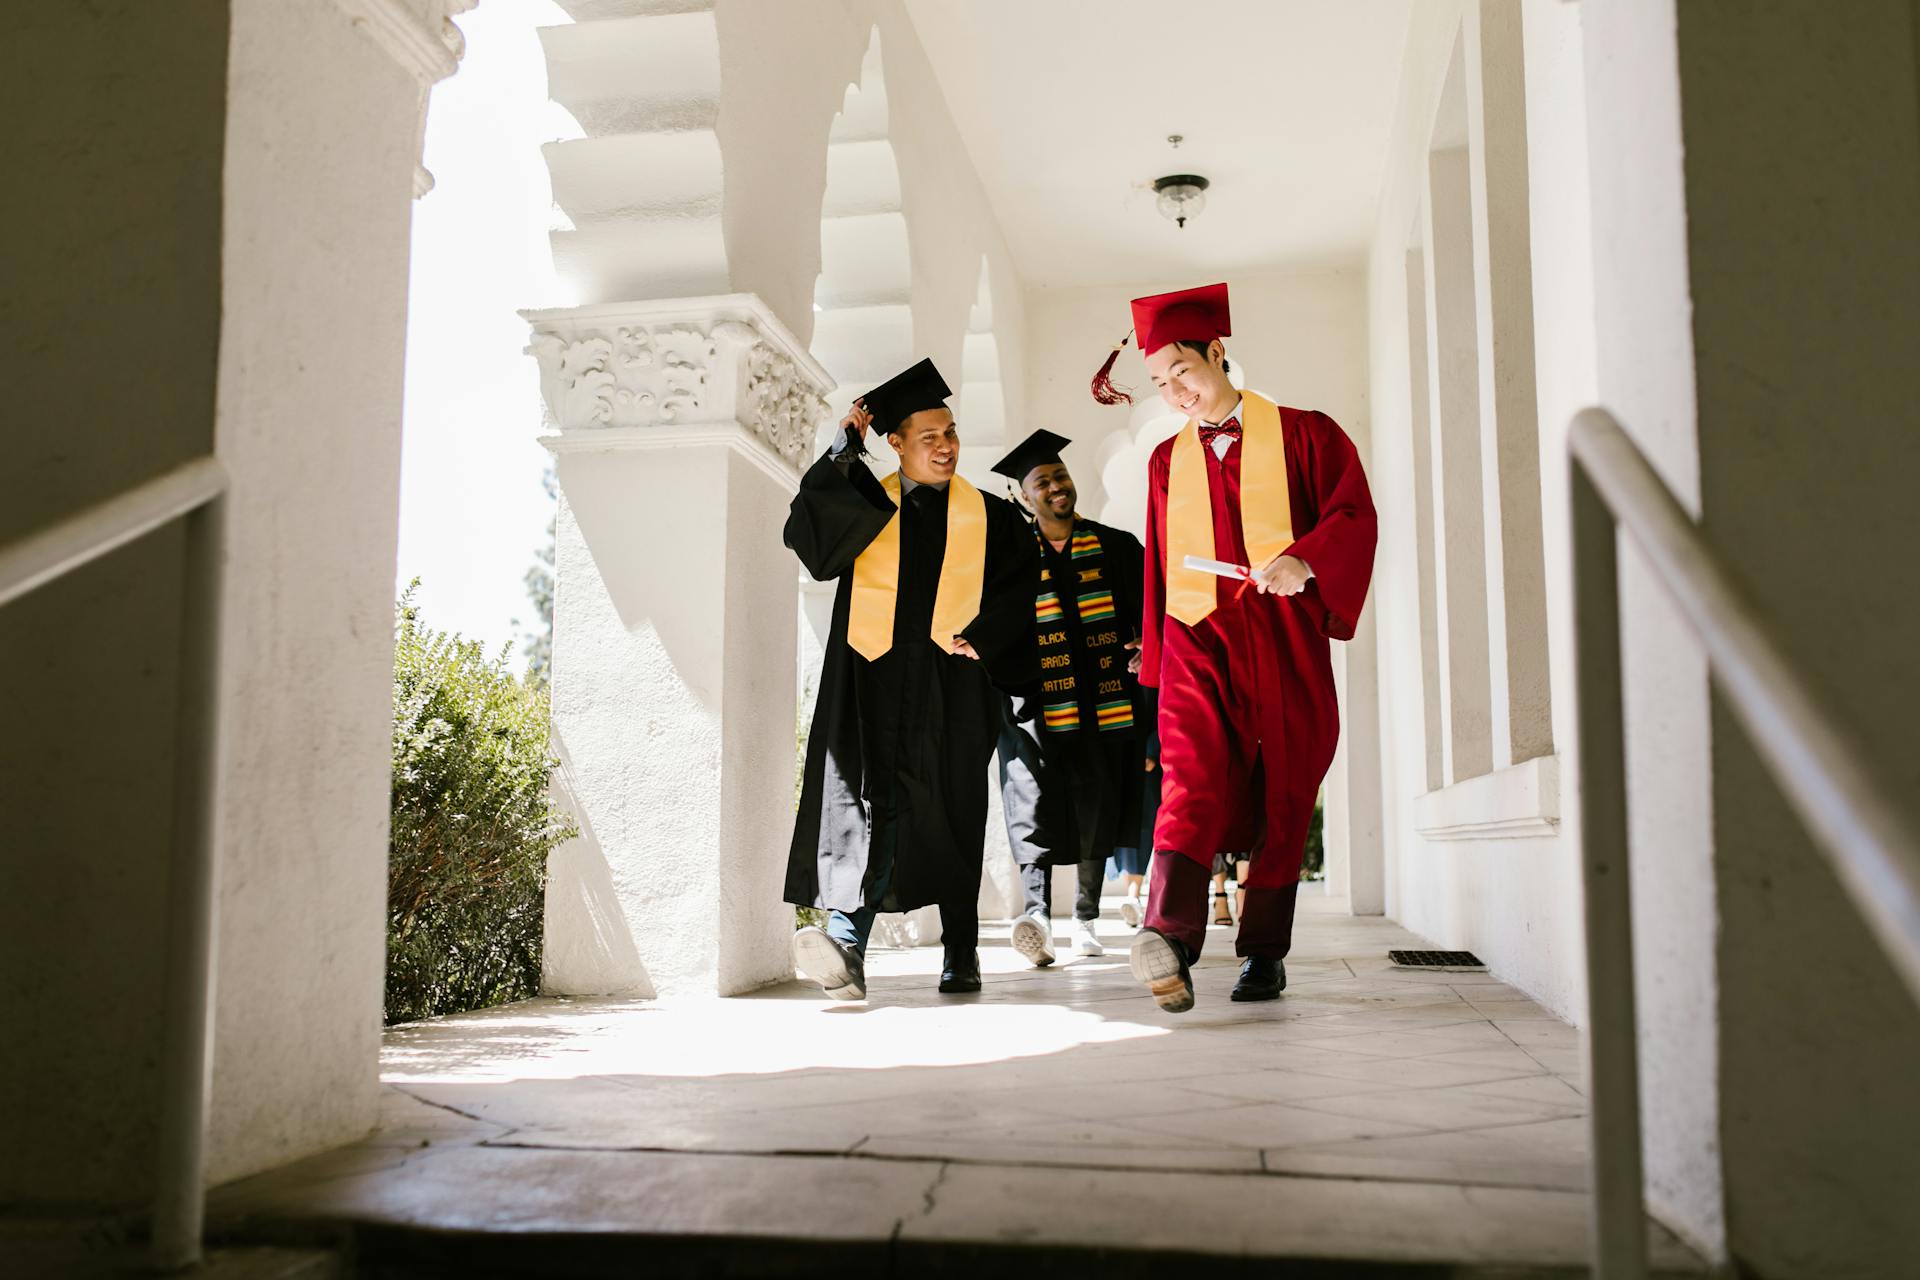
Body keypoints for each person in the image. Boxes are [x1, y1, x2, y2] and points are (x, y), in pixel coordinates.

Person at [1091, 283, 1377, 1012]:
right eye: (1158, 384)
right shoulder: (1165, 463)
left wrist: (1304, 558)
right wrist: (1154, 661)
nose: (1174, 392)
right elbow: (1159, 569)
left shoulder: (1308, 434)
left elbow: (1351, 511)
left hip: (1280, 634)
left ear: (1217, 353)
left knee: (1286, 782)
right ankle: (1170, 935)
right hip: (1197, 636)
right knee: (1189, 776)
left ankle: (1264, 952)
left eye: (1181, 372)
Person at [785, 358, 1039, 1000]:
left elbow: (1022, 589)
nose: (946, 447)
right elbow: (810, 540)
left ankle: (962, 952)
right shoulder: (868, 504)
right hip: (873, 680)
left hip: (952, 687)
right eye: (929, 438)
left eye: (950, 433)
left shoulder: (992, 517)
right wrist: (844, 450)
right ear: (894, 444)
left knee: (955, 810)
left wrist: (984, 637)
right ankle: (847, 943)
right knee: (865, 807)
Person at [988, 429, 1148, 967]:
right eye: (1042, 482)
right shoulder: (1009, 557)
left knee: (1094, 806)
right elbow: (988, 618)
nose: (1056, 486)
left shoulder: (1116, 546)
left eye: (1060, 476)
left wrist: (1146, 645)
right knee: (1030, 801)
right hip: (1034, 705)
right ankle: (1035, 914)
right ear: (1024, 496)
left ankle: (1084, 917)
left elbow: (1151, 612)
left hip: (1105, 702)